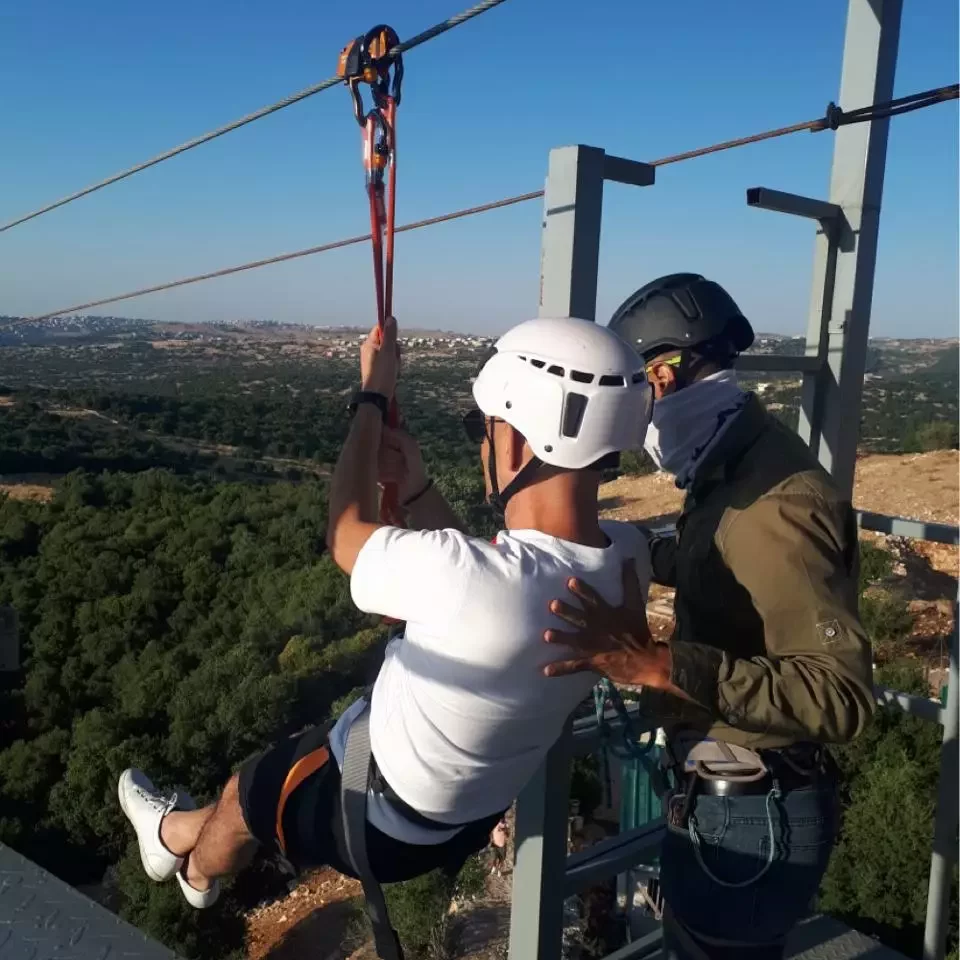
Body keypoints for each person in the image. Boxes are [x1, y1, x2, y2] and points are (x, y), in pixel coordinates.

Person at [118, 313, 654, 916]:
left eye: (482, 428)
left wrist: (371, 396)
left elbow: (345, 532)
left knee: (246, 793)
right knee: (275, 775)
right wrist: (418, 492)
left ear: (513, 441)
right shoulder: (627, 563)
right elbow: (499, 584)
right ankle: (176, 837)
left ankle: (190, 867)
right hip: (462, 818)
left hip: (372, 813)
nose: (483, 443)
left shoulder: (470, 578)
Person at [542, 273, 876, 960]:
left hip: (751, 814)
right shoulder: (737, 464)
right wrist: (626, 547)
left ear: (661, 378)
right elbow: (729, 563)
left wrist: (659, 666)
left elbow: (841, 696)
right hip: (738, 802)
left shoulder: (775, 503)